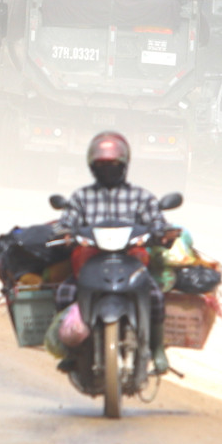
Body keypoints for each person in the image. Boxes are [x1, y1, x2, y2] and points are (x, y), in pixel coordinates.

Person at [57, 131, 173, 375]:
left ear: (124, 165)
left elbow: (158, 223)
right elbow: (65, 224)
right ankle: (71, 350)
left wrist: (164, 233)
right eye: (101, 164)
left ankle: (158, 349)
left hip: (131, 263)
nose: (107, 169)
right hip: (90, 263)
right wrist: (64, 234)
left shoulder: (141, 197)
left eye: (113, 164)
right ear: (92, 166)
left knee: (155, 296)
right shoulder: (81, 197)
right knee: (65, 293)